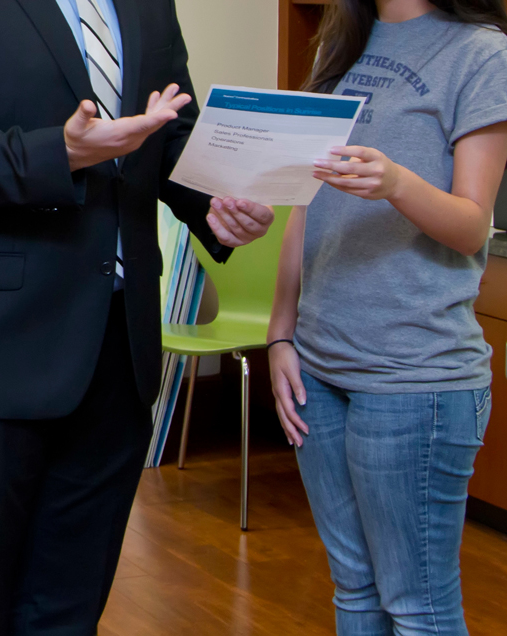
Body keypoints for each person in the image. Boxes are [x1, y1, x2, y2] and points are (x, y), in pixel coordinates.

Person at [0, 0, 274, 634]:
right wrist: (58, 152)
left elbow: (168, 131)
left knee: (68, 608)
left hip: (117, 343)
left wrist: (218, 204)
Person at [267, 0, 507, 634]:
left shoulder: (483, 52)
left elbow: (472, 226)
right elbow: (304, 204)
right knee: (353, 590)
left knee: (417, 608)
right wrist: (280, 334)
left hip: (415, 376)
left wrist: (396, 182)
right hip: (316, 371)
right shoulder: (339, 43)